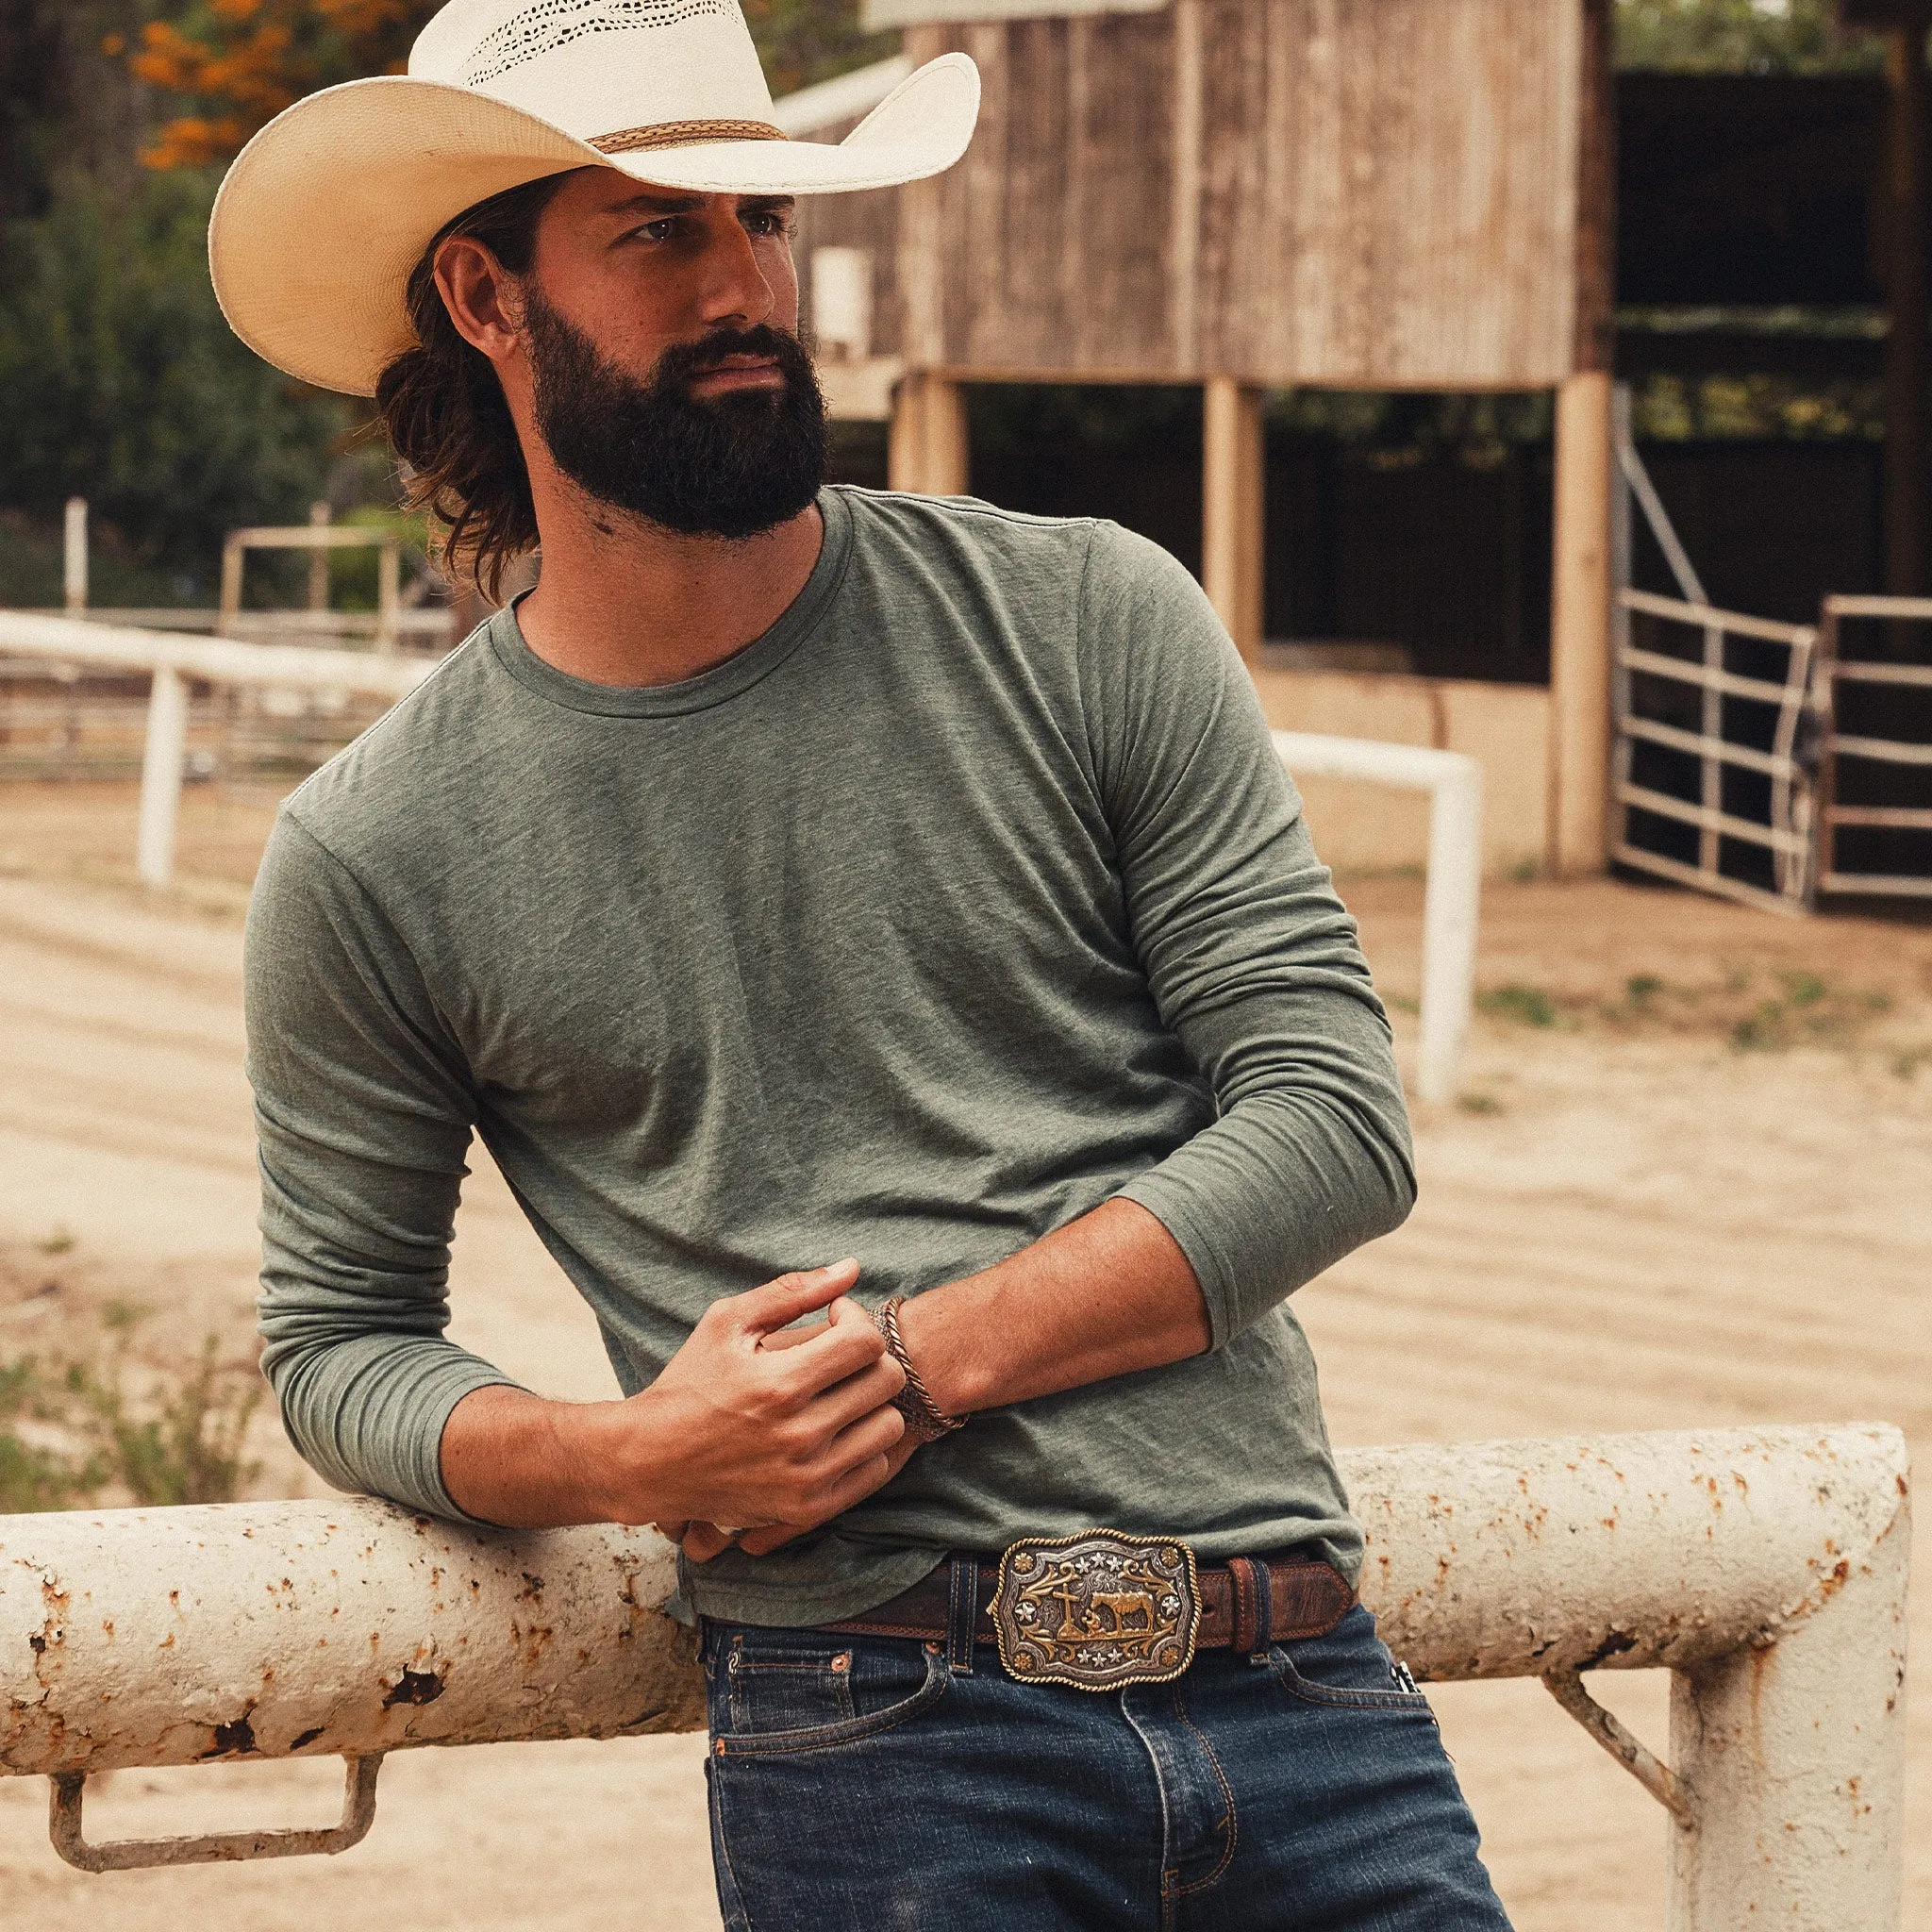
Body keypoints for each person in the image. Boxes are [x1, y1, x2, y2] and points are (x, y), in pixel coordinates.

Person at [214, 3, 1512, 1924]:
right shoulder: (375, 851)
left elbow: (1332, 1119)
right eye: (661, 231)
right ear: (484, 296)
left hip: (1300, 1674)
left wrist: (909, 1365)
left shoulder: (1084, 617)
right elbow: (341, 1348)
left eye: (761, 220)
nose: (746, 284)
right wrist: (631, 1450)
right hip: (880, 1737)